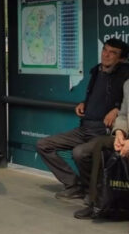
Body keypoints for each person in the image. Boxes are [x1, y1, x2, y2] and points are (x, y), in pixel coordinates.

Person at [36, 38, 129, 200]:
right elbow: (96, 96)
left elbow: (125, 103)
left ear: (121, 59)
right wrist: (84, 103)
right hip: (85, 128)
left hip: (104, 131)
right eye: (105, 50)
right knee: (43, 145)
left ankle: (92, 191)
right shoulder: (97, 71)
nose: (106, 55)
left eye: (113, 53)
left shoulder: (125, 74)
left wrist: (117, 109)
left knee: (79, 153)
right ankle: (74, 185)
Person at [74, 77, 129, 219]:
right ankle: (96, 203)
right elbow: (123, 115)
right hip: (126, 137)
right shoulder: (127, 84)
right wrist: (119, 133)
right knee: (100, 144)